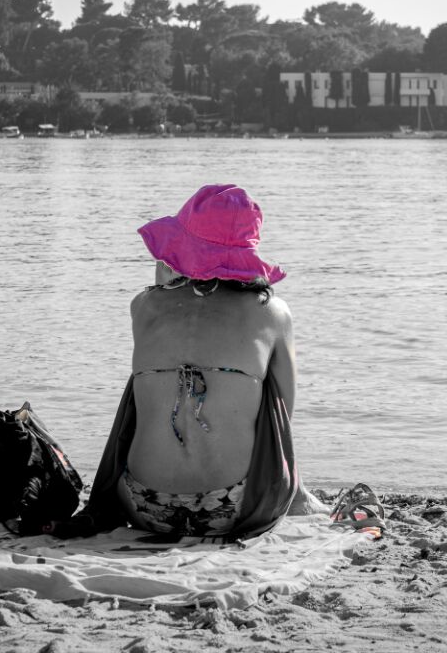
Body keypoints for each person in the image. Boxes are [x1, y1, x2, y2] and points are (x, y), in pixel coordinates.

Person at [50, 183, 317, 539]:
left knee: (154, 374)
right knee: (265, 388)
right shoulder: (272, 313)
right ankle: (298, 495)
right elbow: (282, 415)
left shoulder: (143, 306)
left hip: (142, 504)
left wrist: (174, 261)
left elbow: (165, 288)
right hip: (234, 508)